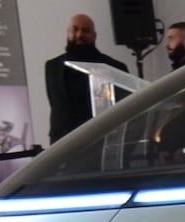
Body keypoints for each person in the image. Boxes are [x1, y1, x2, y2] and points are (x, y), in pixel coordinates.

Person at [41, 13, 126, 143]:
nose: (79, 35)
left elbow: (123, 112)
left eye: (86, 31)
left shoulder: (115, 68)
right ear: (68, 32)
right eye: (75, 29)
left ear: (94, 35)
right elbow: (55, 105)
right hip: (60, 144)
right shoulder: (52, 66)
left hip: (98, 142)